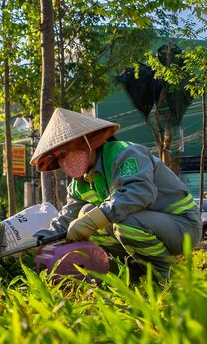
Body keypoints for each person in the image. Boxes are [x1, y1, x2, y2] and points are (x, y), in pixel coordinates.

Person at [30, 108, 201, 277]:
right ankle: (134, 273)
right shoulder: (79, 184)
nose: (65, 159)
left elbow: (139, 193)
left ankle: (167, 276)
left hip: (181, 225)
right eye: (59, 156)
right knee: (85, 214)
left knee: (121, 223)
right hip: (147, 227)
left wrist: (92, 220)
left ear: (89, 141)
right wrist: (35, 243)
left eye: (67, 151)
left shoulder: (126, 154)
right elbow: (65, 221)